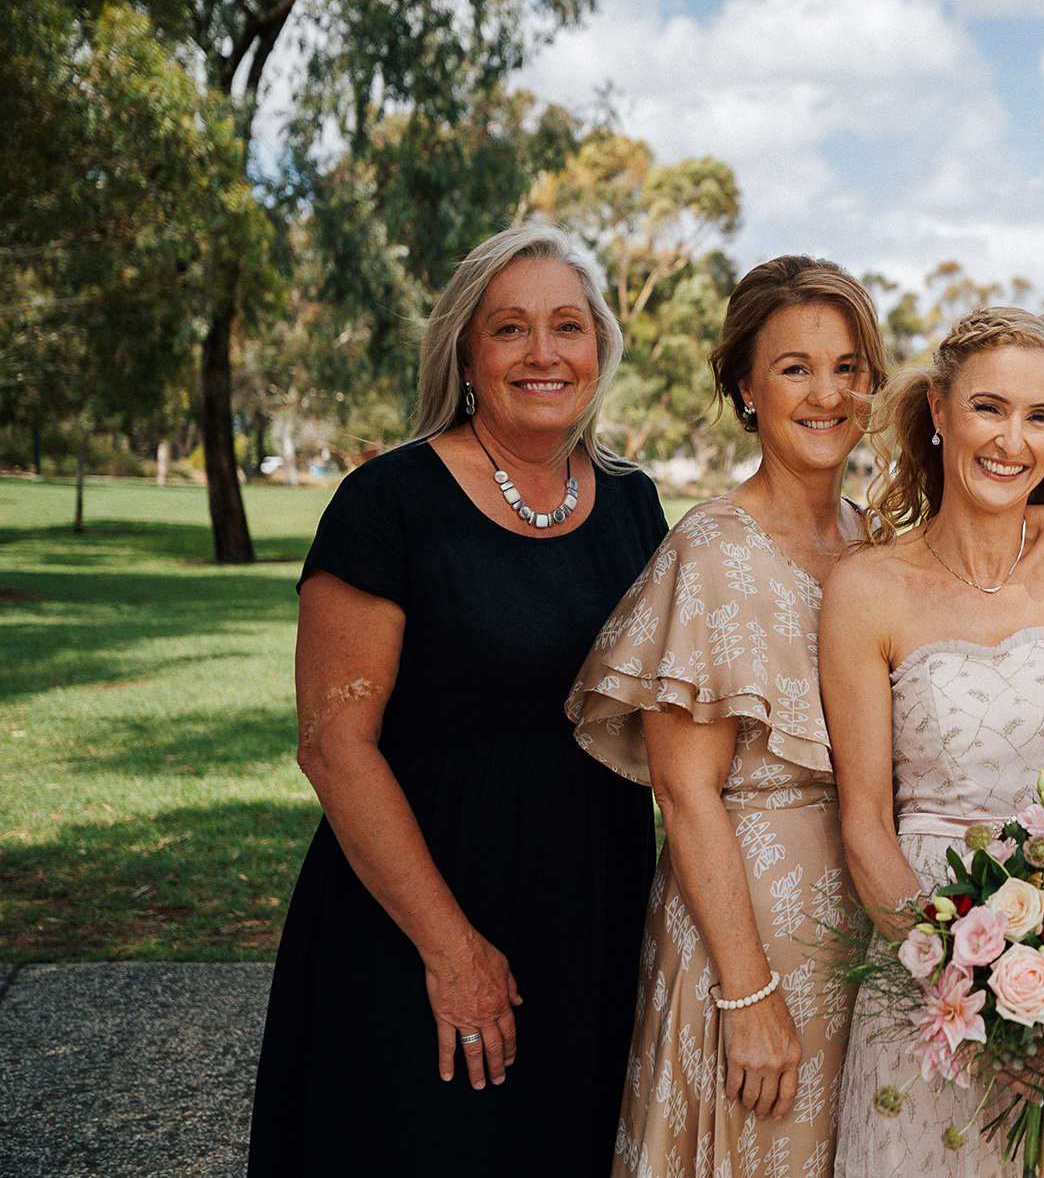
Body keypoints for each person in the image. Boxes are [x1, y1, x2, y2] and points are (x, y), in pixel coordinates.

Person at [249, 224, 668, 1175]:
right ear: (466, 353)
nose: (543, 351)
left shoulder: (634, 502)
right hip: (421, 910)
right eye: (509, 328)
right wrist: (453, 951)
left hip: (588, 907)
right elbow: (333, 746)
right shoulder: (388, 502)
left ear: (599, 346)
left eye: (568, 325)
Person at [822, 307, 1044, 1178]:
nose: (1011, 439)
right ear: (938, 410)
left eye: (1040, 416)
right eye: (989, 407)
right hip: (927, 949)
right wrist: (960, 982)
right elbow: (865, 821)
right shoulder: (866, 585)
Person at [566, 255, 888, 1178]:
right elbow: (684, 788)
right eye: (794, 367)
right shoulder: (710, 548)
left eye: (847, 368)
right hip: (746, 941)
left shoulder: (882, 543)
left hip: (866, 949)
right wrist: (748, 995)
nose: (826, 393)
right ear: (745, 387)